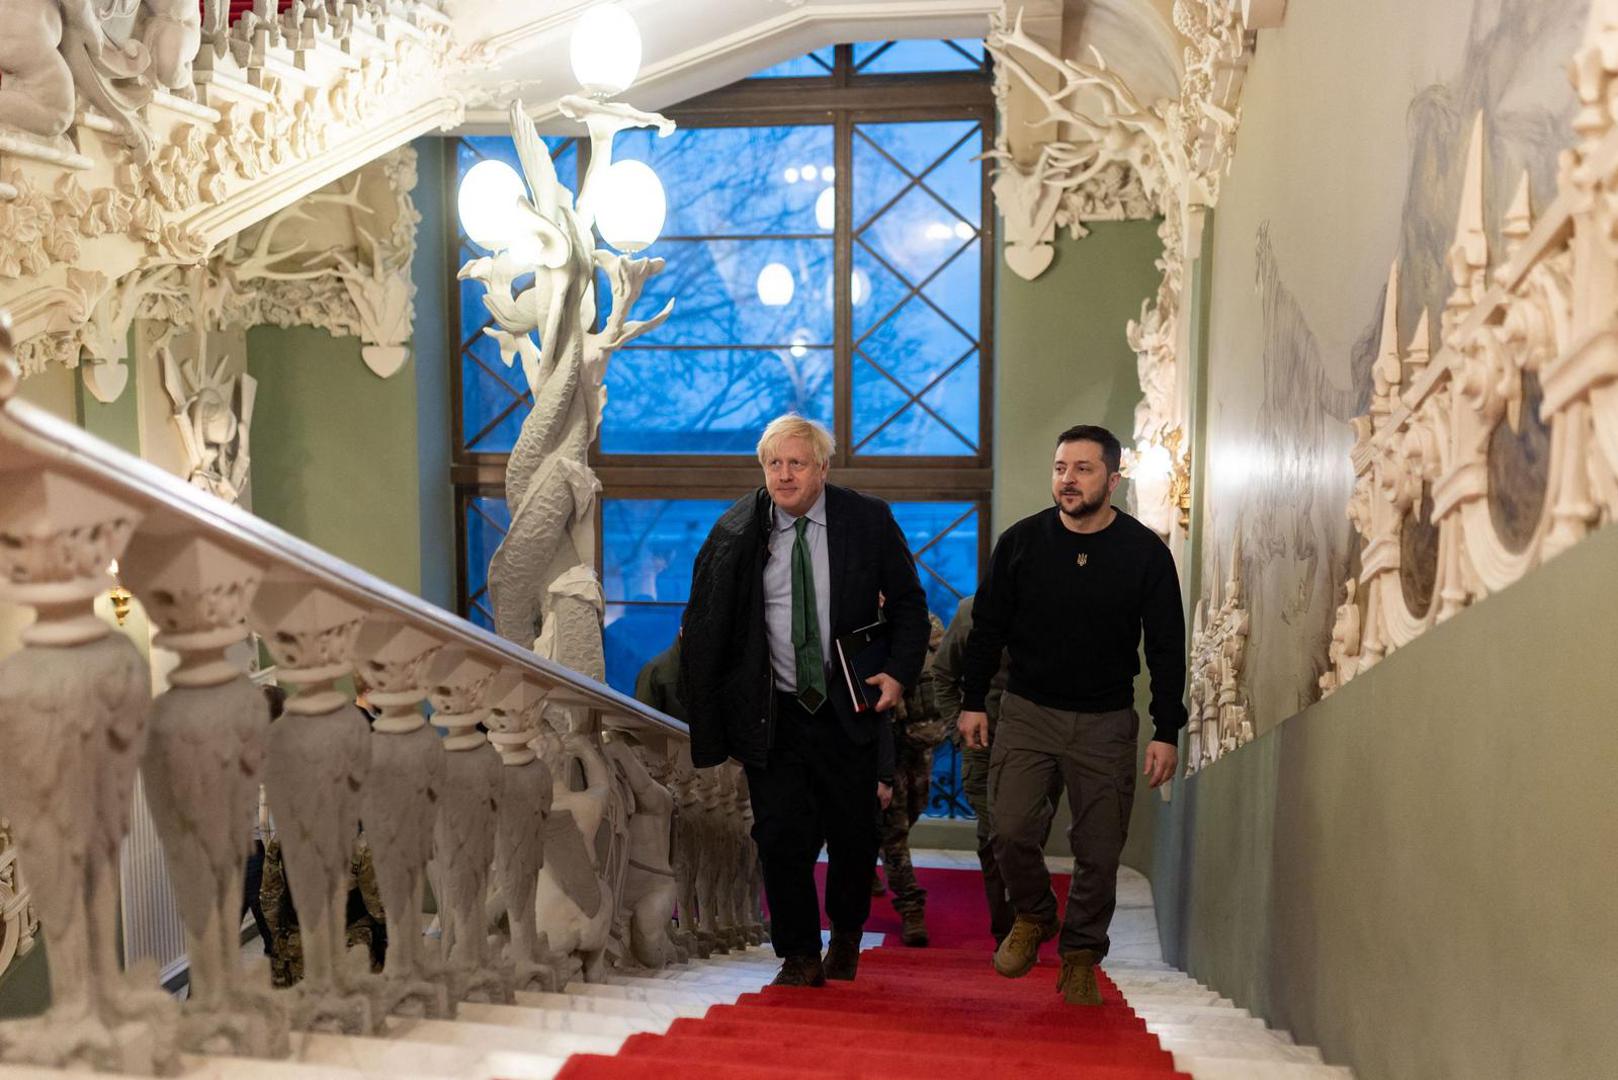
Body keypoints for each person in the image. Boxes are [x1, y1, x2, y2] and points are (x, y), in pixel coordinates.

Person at [680, 414, 930, 988]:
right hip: (775, 713)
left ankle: (846, 935)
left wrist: (897, 674)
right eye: (774, 463)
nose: (784, 474)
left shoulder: (867, 519)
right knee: (778, 837)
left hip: (849, 706)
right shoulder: (736, 530)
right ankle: (797, 953)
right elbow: (709, 620)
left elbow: (910, 608)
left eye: (796, 463)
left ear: (822, 467)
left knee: (853, 836)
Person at [957, 424, 1186, 1006]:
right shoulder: (1021, 542)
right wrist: (972, 701)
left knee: (1099, 850)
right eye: (1061, 467)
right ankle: (1035, 914)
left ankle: (1081, 955)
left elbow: (1166, 647)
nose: (1068, 479)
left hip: (1105, 721)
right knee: (1008, 829)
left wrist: (1166, 729)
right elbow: (987, 629)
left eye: (1083, 469)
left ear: (1112, 480)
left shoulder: (1145, 553)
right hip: (1027, 711)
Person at [930, 594, 1014, 946]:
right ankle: (1006, 931)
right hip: (983, 746)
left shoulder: (1048, 606)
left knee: (1026, 835)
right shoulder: (970, 612)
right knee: (996, 836)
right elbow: (943, 674)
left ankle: (1024, 918)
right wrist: (957, 729)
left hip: (1036, 745)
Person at [875, 612, 947, 946]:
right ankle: (910, 906)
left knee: (914, 810)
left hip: (919, 742)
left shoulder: (926, 623)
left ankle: (867, 856)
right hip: (883, 742)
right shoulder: (862, 621)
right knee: (894, 830)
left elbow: (945, 669)